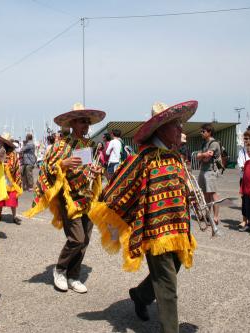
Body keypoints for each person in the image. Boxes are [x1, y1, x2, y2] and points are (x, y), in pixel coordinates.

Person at [88, 100, 198, 332]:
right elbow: (116, 190)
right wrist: (98, 204)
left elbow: (176, 188)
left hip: (178, 231)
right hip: (154, 233)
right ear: (161, 129)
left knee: (171, 271)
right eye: (176, 125)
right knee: (168, 284)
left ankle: (140, 295)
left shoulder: (175, 157)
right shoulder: (143, 159)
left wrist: (189, 196)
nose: (181, 130)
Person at [24, 103, 105, 294]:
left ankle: (74, 276)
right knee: (76, 238)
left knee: (85, 240)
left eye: (87, 121)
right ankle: (60, 269)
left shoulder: (90, 145)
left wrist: (97, 170)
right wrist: (63, 163)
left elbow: (92, 167)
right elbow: (46, 169)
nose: (86, 125)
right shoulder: (60, 146)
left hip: (88, 197)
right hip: (69, 198)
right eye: (82, 121)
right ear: (72, 123)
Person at [0, 133, 23, 224]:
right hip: (2, 179)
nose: (1, 144)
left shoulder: (13, 154)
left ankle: (14, 216)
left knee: (12, 199)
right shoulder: (1, 152)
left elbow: (15, 167)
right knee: (0, 199)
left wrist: (6, 166)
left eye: (3, 142)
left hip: (11, 180)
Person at [196, 123, 221, 225]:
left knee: (213, 194)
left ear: (209, 132)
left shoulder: (214, 143)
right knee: (205, 194)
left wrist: (201, 155)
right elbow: (199, 156)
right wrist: (202, 155)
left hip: (210, 171)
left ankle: (215, 217)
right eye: (201, 131)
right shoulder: (204, 143)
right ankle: (208, 215)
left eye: (203, 131)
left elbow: (206, 159)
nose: (201, 133)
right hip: (203, 170)